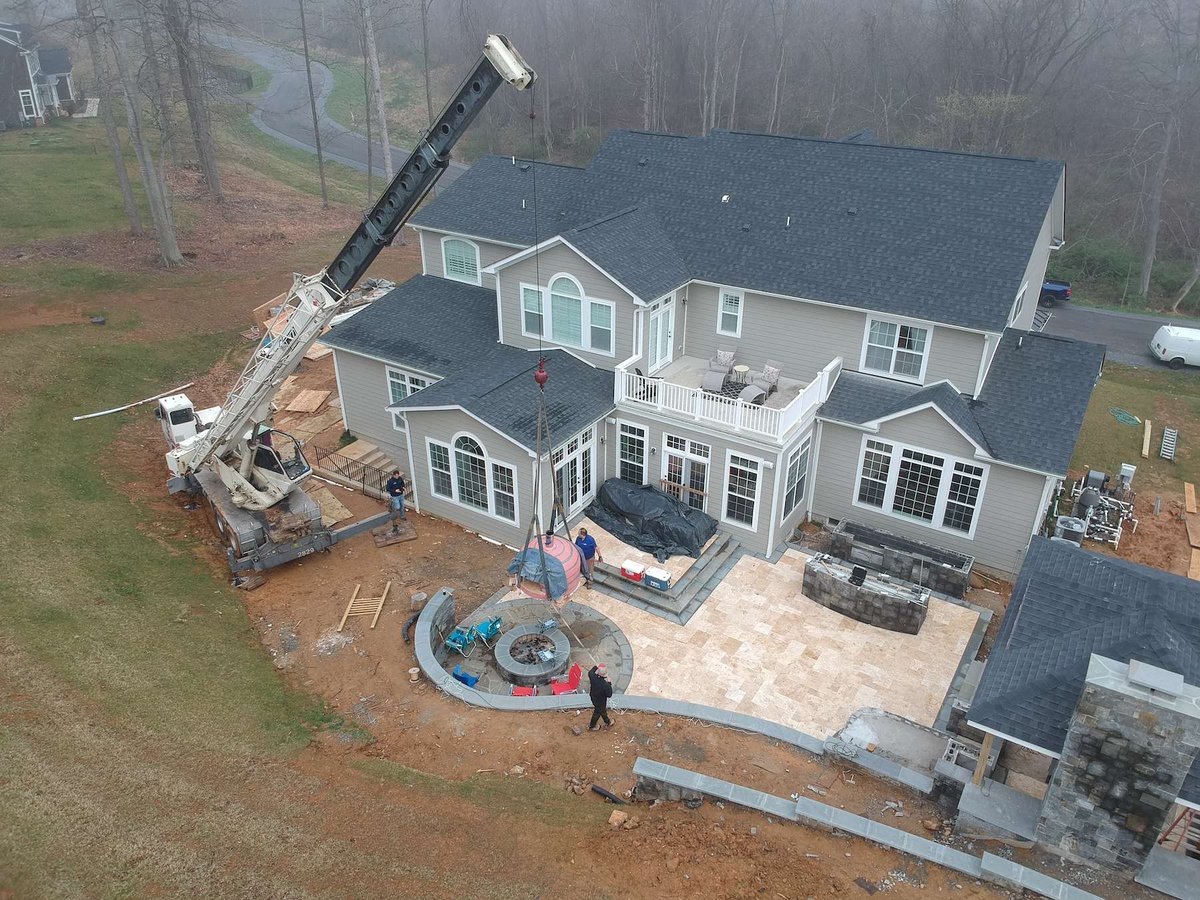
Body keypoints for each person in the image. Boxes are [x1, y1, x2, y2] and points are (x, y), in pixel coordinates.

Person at [588, 663, 613, 730]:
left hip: (593, 697)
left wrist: (597, 666)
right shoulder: (606, 685)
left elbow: (591, 671)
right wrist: (609, 683)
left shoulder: (592, 676)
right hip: (601, 701)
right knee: (597, 712)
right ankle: (592, 726)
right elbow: (609, 695)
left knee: (602, 710)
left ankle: (607, 721)